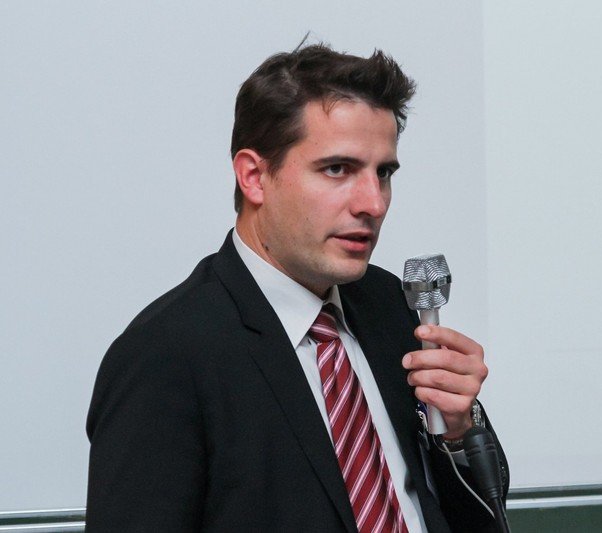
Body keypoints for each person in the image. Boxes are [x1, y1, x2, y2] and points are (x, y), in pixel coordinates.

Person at [86, 43, 508, 532]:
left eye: (384, 173)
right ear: (254, 177)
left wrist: (458, 431)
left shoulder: (389, 304)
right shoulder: (165, 355)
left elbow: (471, 512)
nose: (373, 203)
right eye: (337, 169)